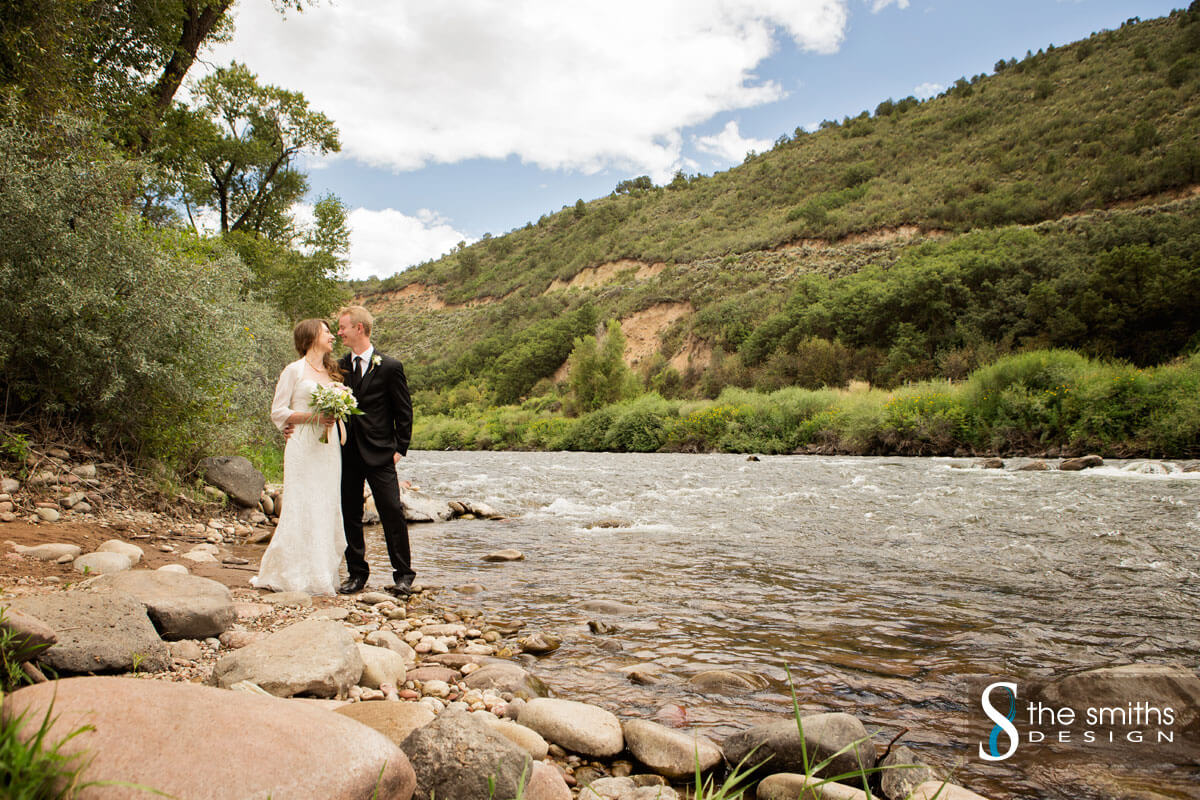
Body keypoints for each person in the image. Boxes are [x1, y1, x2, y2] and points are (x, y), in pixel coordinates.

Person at [252, 319, 346, 595]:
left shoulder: (331, 372)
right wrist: (313, 417)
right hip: (303, 446)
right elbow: (278, 411)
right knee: (301, 503)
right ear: (310, 336)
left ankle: (322, 575)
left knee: (325, 504)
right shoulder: (293, 371)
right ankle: (290, 574)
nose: (332, 336)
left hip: (328, 449)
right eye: (326, 332)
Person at [335, 305, 415, 597]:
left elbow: (403, 412)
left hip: (381, 453)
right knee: (350, 513)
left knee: (392, 511)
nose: (339, 332)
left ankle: (403, 576)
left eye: (343, 327)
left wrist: (399, 449)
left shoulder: (390, 367)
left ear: (359, 328)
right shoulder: (339, 367)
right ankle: (357, 574)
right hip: (347, 452)